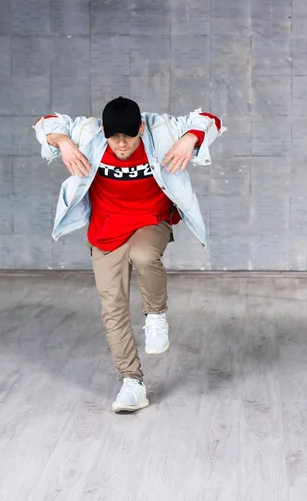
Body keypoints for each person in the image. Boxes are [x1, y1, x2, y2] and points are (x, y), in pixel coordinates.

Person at [33, 97, 225, 413]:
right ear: (104, 130)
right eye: (113, 136)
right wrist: (63, 142)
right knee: (112, 306)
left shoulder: (161, 130)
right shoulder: (89, 133)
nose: (120, 144)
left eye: (128, 136)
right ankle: (131, 382)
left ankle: (155, 315)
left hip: (151, 219)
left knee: (145, 255)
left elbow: (209, 118)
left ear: (140, 127)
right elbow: (46, 122)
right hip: (106, 229)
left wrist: (190, 138)